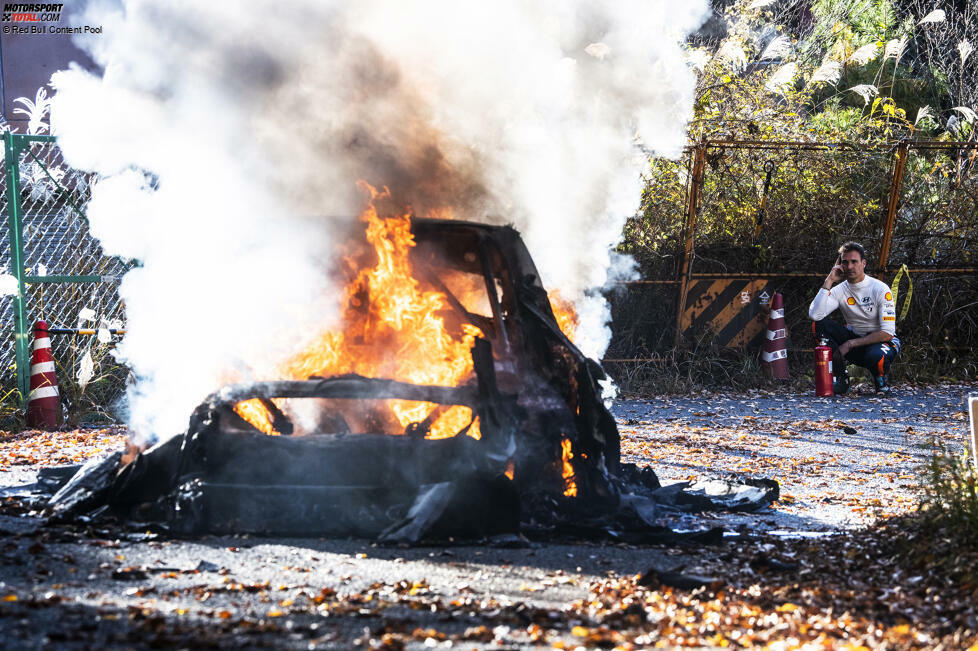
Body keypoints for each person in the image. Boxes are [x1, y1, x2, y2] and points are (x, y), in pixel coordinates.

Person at [808, 241, 900, 395]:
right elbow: (815, 315)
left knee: (876, 356)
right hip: (854, 341)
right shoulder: (840, 290)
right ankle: (841, 379)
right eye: (845, 262)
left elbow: (887, 333)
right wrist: (829, 280)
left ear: (863, 263)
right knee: (818, 326)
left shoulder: (880, 288)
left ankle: (881, 381)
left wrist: (850, 344)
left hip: (881, 342)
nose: (849, 266)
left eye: (854, 262)